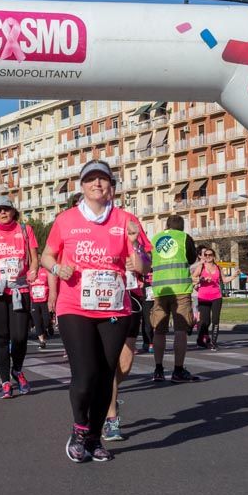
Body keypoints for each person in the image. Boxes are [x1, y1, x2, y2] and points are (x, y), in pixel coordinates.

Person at [40, 159, 143, 463]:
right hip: (75, 305)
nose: (98, 184)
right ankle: (79, 428)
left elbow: (143, 266)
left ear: (112, 186)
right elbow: (47, 256)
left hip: (114, 306)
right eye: (91, 179)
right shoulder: (66, 220)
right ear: (82, 186)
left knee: (105, 375)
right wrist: (59, 267)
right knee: (84, 375)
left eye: (104, 179)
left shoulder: (126, 220)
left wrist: (135, 251)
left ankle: (96, 438)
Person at [103, 185, 152, 443]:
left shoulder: (129, 220)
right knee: (110, 360)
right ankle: (111, 417)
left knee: (126, 363)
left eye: (107, 187)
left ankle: (106, 395)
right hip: (104, 299)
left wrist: (139, 258)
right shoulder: (83, 223)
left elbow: (147, 258)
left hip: (131, 295)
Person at [0, 196, 39, 399]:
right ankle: (5, 381)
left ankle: (17, 369)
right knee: (1, 336)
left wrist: (33, 270)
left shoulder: (25, 230)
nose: (2, 213)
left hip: (19, 289)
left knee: (20, 336)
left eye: (6, 209)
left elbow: (34, 258)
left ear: (13, 211)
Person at [149, 214, 198, 382]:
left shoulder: (155, 239)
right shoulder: (184, 238)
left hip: (160, 290)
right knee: (180, 330)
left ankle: (158, 369)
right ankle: (178, 370)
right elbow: (191, 258)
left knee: (159, 330)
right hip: (180, 289)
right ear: (182, 227)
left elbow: (150, 261)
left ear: (166, 225)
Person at [193, 246, 224, 351]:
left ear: (214, 256)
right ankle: (200, 340)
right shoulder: (201, 267)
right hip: (203, 297)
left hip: (216, 296)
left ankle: (213, 343)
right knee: (205, 321)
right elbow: (192, 277)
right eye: (206, 255)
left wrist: (233, 276)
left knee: (216, 320)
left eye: (210, 255)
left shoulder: (218, 267)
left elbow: (223, 280)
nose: (208, 257)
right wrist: (201, 279)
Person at [29, 268, 56, 348]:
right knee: (37, 322)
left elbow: (51, 284)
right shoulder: (29, 272)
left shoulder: (46, 271)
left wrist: (51, 298)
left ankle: (49, 325)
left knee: (46, 321)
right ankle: (42, 341)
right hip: (34, 301)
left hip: (44, 301)